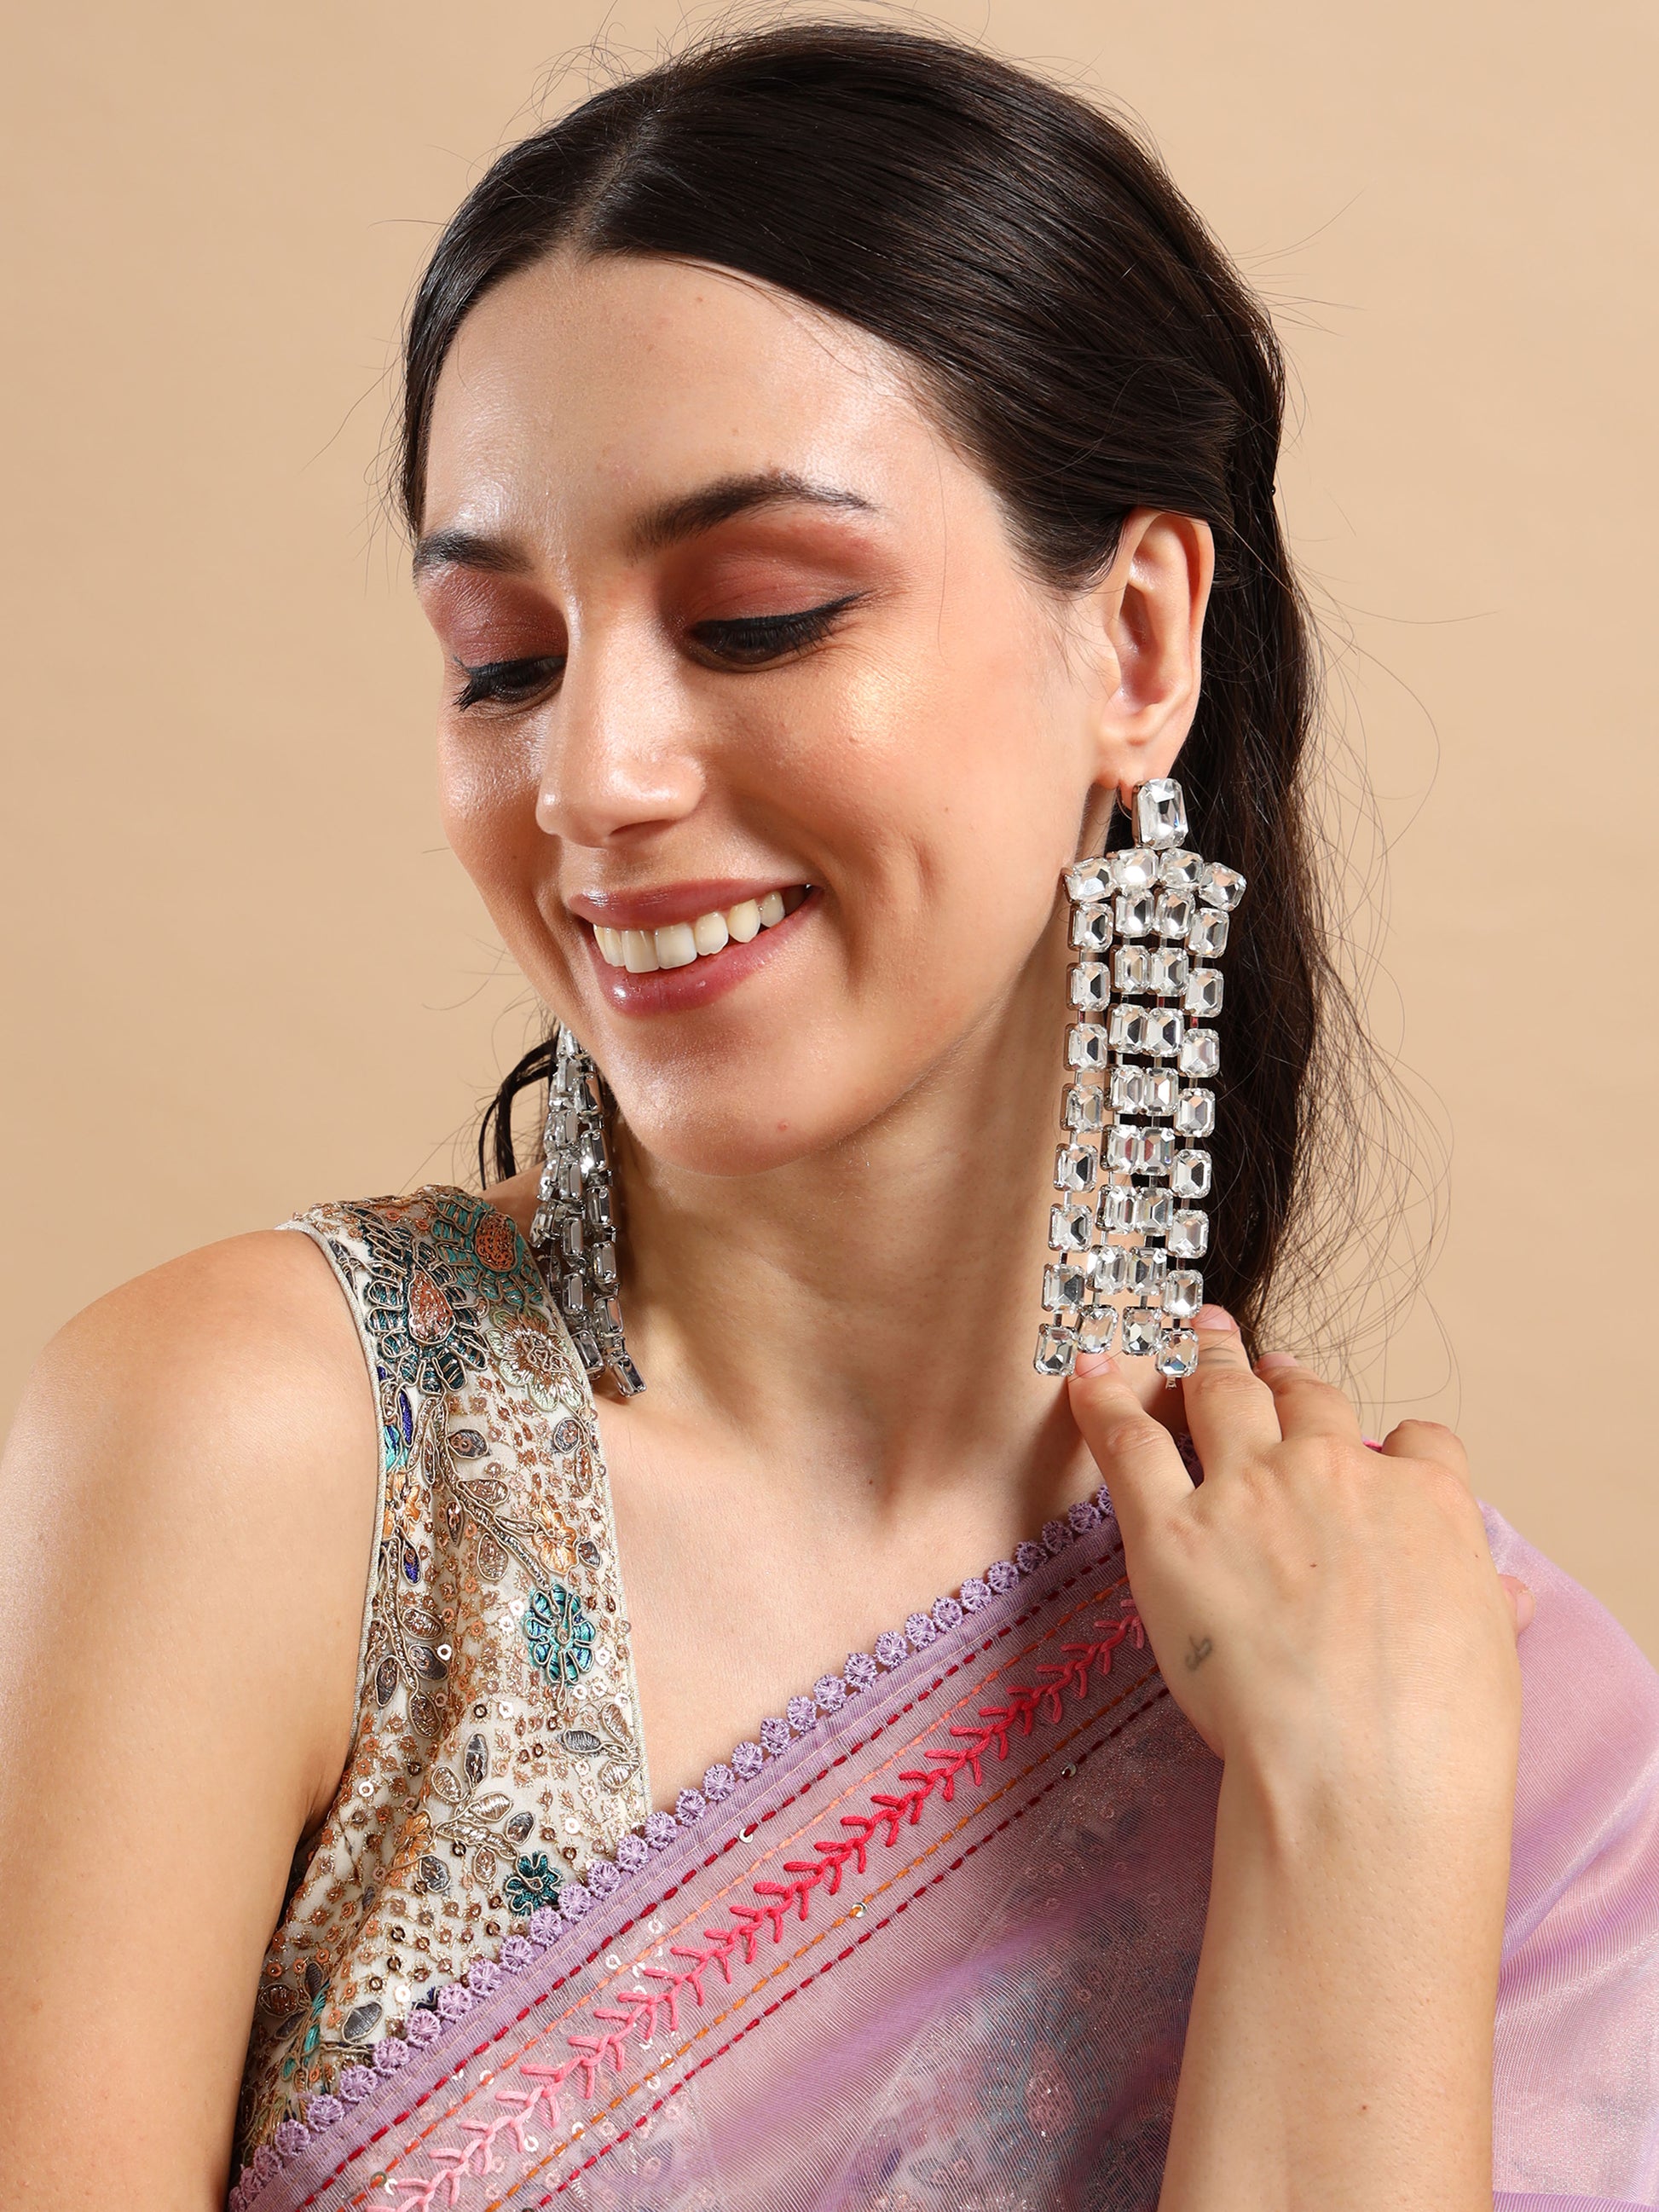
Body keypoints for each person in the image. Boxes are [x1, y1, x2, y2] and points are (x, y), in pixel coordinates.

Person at [2, 23, 1655, 2211]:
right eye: (501, 656)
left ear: (1137, 640)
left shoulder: (1478, 1703)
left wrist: (1362, 1840)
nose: (592, 776)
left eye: (758, 615)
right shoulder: (254, 1459)